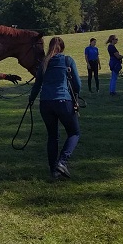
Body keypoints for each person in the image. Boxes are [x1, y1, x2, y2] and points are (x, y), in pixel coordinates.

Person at [28, 37, 81, 180]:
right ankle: (62, 162)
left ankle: (54, 170)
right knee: (74, 133)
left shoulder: (44, 63)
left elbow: (37, 84)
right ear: (62, 48)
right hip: (63, 101)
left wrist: (31, 99)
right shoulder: (67, 60)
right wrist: (75, 96)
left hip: (45, 103)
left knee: (52, 136)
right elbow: (78, 84)